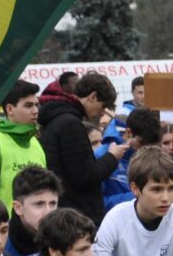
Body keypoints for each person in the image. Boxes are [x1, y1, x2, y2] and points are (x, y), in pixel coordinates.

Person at [38, 73, 127, 228]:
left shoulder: (57, 118)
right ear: (92, 96)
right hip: (77, 215)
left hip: (65, 210)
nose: (102, 112)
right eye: (103, 106)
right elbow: (85, 176)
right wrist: (112, 157)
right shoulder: (71, 124)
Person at [0, 80, 46, 210]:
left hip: (38, 228)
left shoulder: (35, 142)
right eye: (28, 106)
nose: (35, 111)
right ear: (10, 109)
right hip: (5, 228)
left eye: (36, 105)